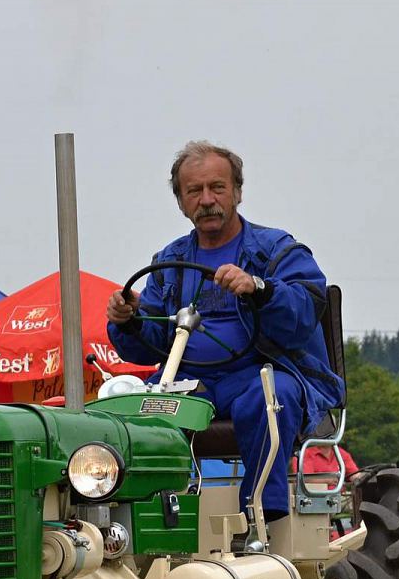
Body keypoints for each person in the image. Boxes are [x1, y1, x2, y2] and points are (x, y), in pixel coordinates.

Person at [106, 140, 345, 522]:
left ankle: (261, 515)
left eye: (217, 187)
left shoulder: (277, 251)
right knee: (139, 410)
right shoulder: (170, 261)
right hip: (193, 383)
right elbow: (149, 345)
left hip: (256, 375)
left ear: (237, 192)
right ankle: (155, 516)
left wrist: (260, 289)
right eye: (194, 191)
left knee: (271, 397)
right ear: (182, 202)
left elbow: (304, 312)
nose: (206, 199)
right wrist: (130, 319)